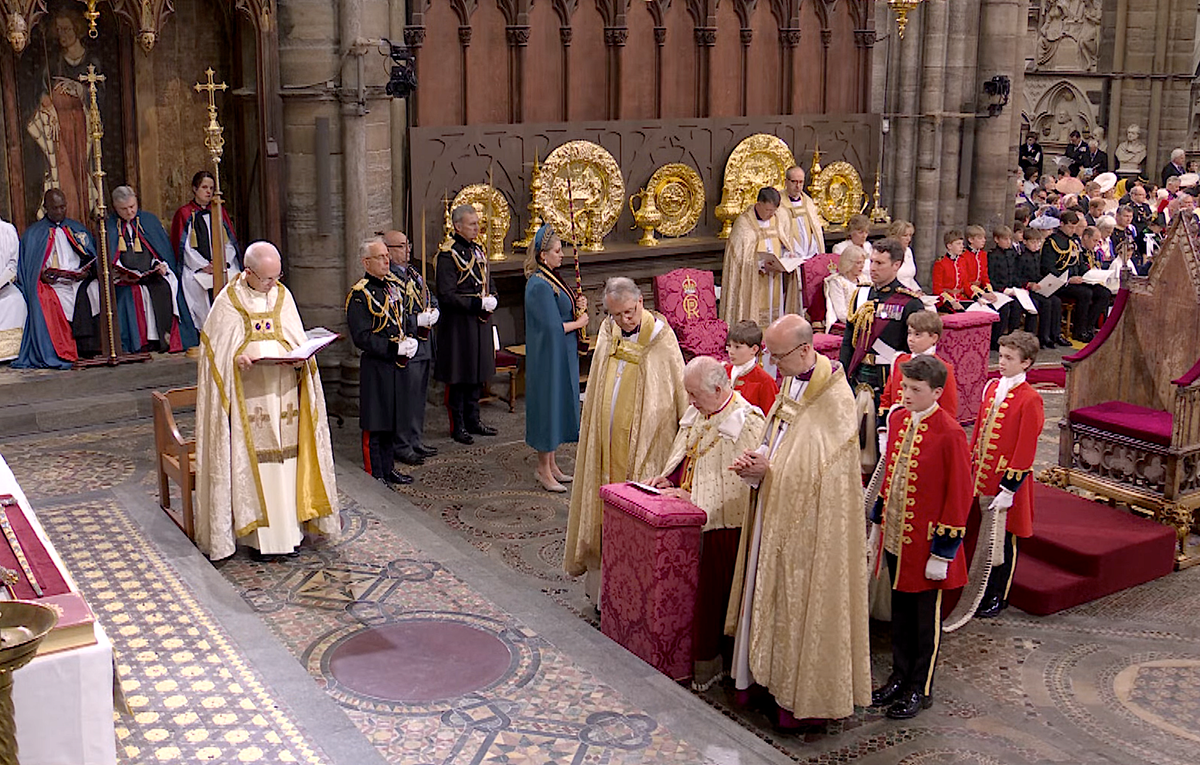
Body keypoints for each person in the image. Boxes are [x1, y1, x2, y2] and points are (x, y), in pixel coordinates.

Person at [727, 314, 871, 728]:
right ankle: (760, 679)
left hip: (809, 533)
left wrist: (769, 471)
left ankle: (798, 701)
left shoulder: (835, 400)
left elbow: (820, 476)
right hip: (772, 513)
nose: (773, 365)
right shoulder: (793, 379)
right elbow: (780, 437)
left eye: (779, 356)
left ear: (806, 350)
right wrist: (760, 456)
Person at [194, 241, 340, 561]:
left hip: (285, 394)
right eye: (266, 279)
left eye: (277, 277)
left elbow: (294, 337)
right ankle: (262, 541)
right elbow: (215, 354)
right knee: (260, 466)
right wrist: (237, 360)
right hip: (249, 401)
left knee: (288, 463)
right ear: (248, 273)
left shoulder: (283, 296)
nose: (273, 284)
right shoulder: (228, 302)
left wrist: (302, 359)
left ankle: (291, 533)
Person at [563, 277, 687, 603]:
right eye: (616, 315)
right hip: (605, 445)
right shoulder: (609, 331)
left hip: (645, 447)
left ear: (641, 302)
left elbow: (674, 394)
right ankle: (602, 595)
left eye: (629, 313)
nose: (624, 321)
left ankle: (634, 597)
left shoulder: (660, 340)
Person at [649, 356, 766, 691]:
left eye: (694, 394)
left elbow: (739, 488)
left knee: (712, 598)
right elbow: (687, 455)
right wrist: (669, 478)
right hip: (684, 517)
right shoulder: (703, 410)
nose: (689, 402)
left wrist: (695, 501)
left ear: (718, 389)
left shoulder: (746, 421)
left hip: (724, 529)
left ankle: (711, 662)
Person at [868, 355, 971, 719]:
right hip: (897, 539)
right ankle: (899, 675)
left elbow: (959, 496)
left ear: (937, 392)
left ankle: (920, 686)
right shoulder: (897, 419)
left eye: (915, 389)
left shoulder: (950, 433)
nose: (906, 395)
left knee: (924, 622)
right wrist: (879, 523)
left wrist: (943, 552)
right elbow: (892, 477)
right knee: (901, 614)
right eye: (904, 387)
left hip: (928, 546)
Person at [969, 331, 1045, 619]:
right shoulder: (992, 388)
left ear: (1026, 363)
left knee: (1004, 542)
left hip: (1007, 484)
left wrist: (1008, 489)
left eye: (1009, 358)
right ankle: (980, 588)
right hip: (982, 477)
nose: (1001, 362)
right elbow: (978, 430)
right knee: (984, 539)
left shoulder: (1030, 399)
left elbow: (1026, 448)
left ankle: (998, 596)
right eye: (1000, 356)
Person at [347, 237, 420, 487]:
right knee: (375, 423)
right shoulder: (359, 295)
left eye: (387, 255)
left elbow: (400, 318)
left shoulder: (392, 287)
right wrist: (393, 347)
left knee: (392, 419)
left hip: (396, 364)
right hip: (376, 366)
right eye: (380, 257)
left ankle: (389, 469)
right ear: (366, 262)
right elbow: (362, 336)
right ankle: (375, 474)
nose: (386, 260)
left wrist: (410, 336)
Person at [524, 224, 589, 492]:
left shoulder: (552, 277)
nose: (561, 255)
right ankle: (542, 468)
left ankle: (551, 464)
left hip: (561, 352)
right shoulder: (538, 284)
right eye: (557, 251)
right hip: (548, 355)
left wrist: (578, 306)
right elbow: (551, 326)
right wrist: (580, 322)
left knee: (559, 404)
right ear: (543, 255)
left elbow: (563, 309)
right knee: (547, 407)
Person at [13, 188, 99, 369]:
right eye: (55, 208)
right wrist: (42, 276)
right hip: (53, 285)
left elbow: (91, 257)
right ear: (46, 208)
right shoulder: (34, 234)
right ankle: (66, 349)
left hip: (79, 281)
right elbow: (30, 269)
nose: (59, 211)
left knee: (97, 292)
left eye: (62, 207)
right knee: (49, 299)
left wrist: (88, 272)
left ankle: (91, 346)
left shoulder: (77, 228)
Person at [436, 205, 498, 445]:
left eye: (477, 223)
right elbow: (447, 294)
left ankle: (474, 419)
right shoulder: (447, 254)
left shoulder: (478, 250)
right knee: (459, 376)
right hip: (458, 326)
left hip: (478, 323)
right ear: (458, 226)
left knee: (476, 373)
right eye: (472, 224)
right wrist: (476, 304)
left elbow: (487, 279)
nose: (477, 228)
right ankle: (458, 424)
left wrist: (492, 296)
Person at [839, 238, 924, 403]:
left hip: (889, 374)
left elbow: (912, 349)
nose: (872, 268)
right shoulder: (860, 295)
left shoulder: (910, 302)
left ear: (896, 265)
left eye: (879, 263)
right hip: (858, 371)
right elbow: (848, 339)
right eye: (871, 261)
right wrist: (844, 372)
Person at [107, 185, 187, 353]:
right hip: (125, 278)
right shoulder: (109, 226)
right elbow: (108, 257)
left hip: (150, 273)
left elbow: (160, 250)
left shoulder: (148, 221)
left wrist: (160, 265)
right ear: (115, 207)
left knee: (163, 288)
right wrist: (119, 272)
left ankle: (163, 340)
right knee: (130, 295)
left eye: (132, 207)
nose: (129, 212)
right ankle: (138, 343)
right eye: (124, 209)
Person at [383, 229, 439, 465]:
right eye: (402, 246)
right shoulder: (388, 280)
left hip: (424, 343)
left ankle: (415, 439)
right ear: (388, 250)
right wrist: (416, 320)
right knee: (405, 398)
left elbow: (430, 297)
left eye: (409, 245)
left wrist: (434, 311)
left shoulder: (414, 273)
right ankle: (402, 444)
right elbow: (392, 314)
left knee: (418, 397)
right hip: (406, 345)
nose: (408, 250)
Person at [170, 170, 241, 335]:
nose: (208, 191)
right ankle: (206, 329)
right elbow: (184, 249)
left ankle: (232, 326)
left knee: (235, 278)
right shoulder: (185, 213)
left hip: (221, 263)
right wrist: (203, 266)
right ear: (195, 189)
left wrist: (223, 261)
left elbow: (229, 243)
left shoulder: (219, 211)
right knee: (194, 284)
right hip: (197, 268)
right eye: (204, 187)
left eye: (211, 188)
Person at [720, 187, 798, 328]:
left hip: (776, 279)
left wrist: (788, 256)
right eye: (768, 210)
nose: (771, 214)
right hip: (753, 280)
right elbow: (739, 260)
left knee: (776, 316)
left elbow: (786, 243)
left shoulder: (779, 218)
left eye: (773, 211)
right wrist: (761, 264)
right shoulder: (744, 224)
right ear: (759, 204)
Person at [878, 310, 960, 427]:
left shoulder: (943, 368)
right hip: (897, 428)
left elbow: (948, 410)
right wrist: (884, 428)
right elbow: (887, 397)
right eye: (909, 333)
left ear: (934, 338)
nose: (911, 339)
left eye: (918, 335)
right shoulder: (899, 360)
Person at [1042, 210, 1100, 342]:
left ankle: (1088, 327)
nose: (1072, 230)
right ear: (1061, 224)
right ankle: (1078, 331)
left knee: (1102, 292)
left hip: (1076, 280)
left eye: (1075, 227)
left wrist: (1090, 276)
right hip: (1060, 282)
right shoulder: (1052, 242)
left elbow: (1079, 264)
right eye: (1070, 226)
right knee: (1085, 293)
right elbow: (1048, 267)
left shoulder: (1074, 241)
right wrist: (1068, 279)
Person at [723, 319, 778, 414]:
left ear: (754, 349)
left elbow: (769, 418)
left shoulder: (764, 382)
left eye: (737, 347)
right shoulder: (723, 372)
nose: (731, 351)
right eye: (729, 346)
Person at [780, 166, 825, 268]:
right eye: (794, 182)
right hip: (790, 256)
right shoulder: (779, 203)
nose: (798, 186)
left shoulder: (808, 202)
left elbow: (815, 230)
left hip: (810, 255)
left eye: (801, 182)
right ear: (786, 181)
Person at [987, 225, 1023, 339]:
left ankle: (1013, 336)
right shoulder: (992, 256)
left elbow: (1015, 273)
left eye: (1010, 239)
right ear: (997, 240)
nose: (1008, 242)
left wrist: (1019, 287)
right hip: (998, 290)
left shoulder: (1012, 254)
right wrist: (1002, 289)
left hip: (1011, 290)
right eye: (1005, 239)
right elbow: (991, 278)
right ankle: (997, 338)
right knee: (1005, 307)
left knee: (1017, 306)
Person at [0, 216, 24, 362]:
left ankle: (8, 353)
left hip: (3, 286)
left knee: (16, 301)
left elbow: (12, 264)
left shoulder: (8, 230)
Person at [932, 229, 973, 312]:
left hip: (960, 298)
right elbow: (937, 289)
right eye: (958, 244)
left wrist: (977, 297)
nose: (962, 246)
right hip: (945, 301)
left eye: (962, 243)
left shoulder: (962, 261)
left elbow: (965, 284)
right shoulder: (940, 263)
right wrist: (952, 302)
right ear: (949, 246)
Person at [824, 244, 866, 325]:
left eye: (863, 263)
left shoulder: (863, 279)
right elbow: (841, 314)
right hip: (847, 323)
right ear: (848, 263)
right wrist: (859, 321)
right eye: (858, 263)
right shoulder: (837, 282)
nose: (862, 266)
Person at [833, 214, 875, 283]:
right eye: (860, 232)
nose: (864, 236)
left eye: (866, 232)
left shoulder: (868, 246)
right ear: (851, 232)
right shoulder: (840, 248)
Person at [886, 219, 921, 292]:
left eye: (910, 235)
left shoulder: (908, 251)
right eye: (905, 236)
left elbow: (910, 278)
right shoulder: (888, 253)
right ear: (895, 236)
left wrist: (917, 290)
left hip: (911, 292)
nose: (908, 239)